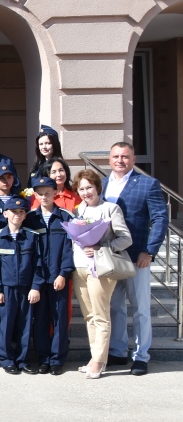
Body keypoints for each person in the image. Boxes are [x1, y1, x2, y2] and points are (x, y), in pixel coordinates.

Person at [103, 142, 168, 376]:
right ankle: (118, 351)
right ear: (109, 159)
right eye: (116, 156)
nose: (120, 160)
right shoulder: (101, 185)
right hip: (109, 257)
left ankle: (141, 356)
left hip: (136, 256)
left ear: (133, 159)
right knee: (115, 307)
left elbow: (160, 218)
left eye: (126, 156)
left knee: (140, 308)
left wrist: (150, 250)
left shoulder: (148, 184)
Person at [72, 168, 133, 379]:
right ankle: (94, 358)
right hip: (79, 268)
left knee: (101, 316)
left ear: (97, 187)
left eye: (89, 187)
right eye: (81, 189)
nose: (86, 192)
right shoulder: (79, 210)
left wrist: (100, 247)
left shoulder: (110, 209)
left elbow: (125, 239)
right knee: (89, 316)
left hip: (101, 269)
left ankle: (99, 361)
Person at [0, 197, 44, 375]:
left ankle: (23, 360)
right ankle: (6, 359)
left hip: (27, 288)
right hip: (6, 289)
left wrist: (36, 287)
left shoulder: (32, 237)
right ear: (5, 214)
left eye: (21, 212)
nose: (17, 215)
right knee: (6, 324)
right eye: (13, 212)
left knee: (25, 325)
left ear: (25, 214)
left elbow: (38, 264)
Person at [26, 176, 76, 375]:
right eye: (40, 193)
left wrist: (64, 273)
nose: (44, 196)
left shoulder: (65, 217)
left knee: (59, 320)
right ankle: (43, 357)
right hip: (37, 279)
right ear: (35, 195)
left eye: (48, 192)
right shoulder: (30, 218)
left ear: (55, 193)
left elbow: (69, 249)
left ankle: (57, 359)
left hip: (58, 278)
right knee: (39, 320)